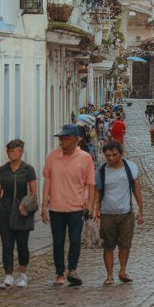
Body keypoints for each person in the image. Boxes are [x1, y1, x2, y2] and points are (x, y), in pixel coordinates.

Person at [41, 123, 96, 287]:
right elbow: (47, 181)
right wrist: (44, 205)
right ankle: (59, 272)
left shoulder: (85, 158)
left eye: (65, 138)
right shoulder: (52, 157)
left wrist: (91, 205)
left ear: (75, 140)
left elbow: (91, 183)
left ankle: (72, 269)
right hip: (56, 208)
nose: (61, 141)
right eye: (61, 138)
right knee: (57, 242)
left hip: (76, 208)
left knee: (75, 240)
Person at [0, 139, 37, 289]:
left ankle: (22, 274)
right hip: (5, 212)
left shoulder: (28, 170)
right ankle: (8, 275)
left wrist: (26, 207)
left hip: (22, 213)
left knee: (22, 245)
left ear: (21, 152)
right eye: (9, 151)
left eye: (15, 150)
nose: (12, 153)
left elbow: (34, 193)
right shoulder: (2, 170)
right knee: (7, 245)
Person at [92, 139, 143, 285]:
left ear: (121, 153)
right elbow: (97, 192)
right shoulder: (101, 171)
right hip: (107, 213)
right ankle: (109, 275)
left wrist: (141, 211)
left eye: (114, 155)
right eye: (107, 156)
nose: (111, 158)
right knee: (108, 246)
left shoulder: (130, 168)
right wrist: (96, 210)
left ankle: (122, 270)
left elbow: (136, 190)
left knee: (125, 244)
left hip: (126, 213)